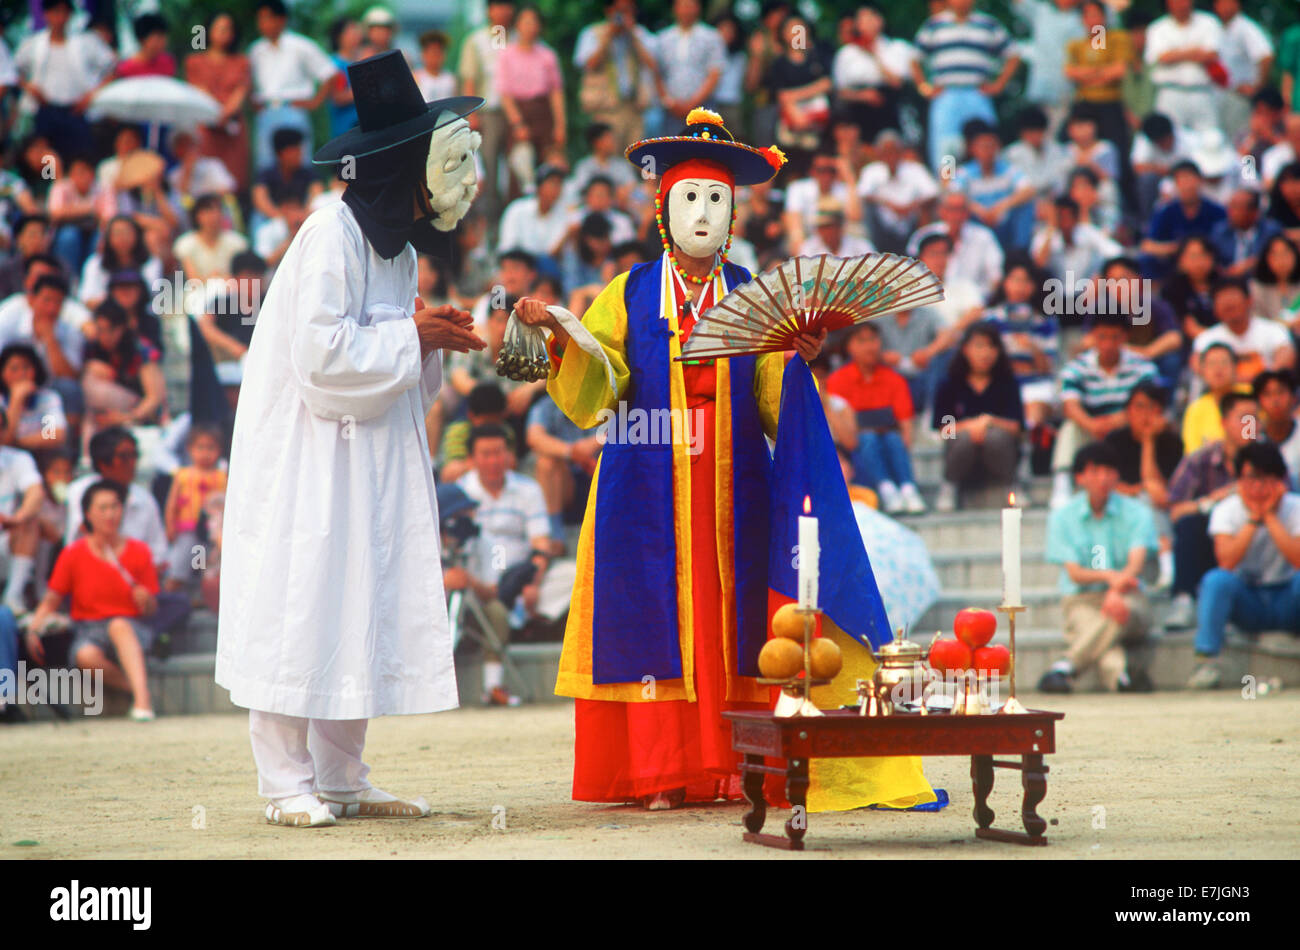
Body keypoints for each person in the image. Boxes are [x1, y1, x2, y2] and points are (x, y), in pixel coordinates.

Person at [511, 108, 847, 809]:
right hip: (647, 476)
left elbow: (771, 395)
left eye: (716, 199)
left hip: (735, 480)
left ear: (734, 213)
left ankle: (735, 763)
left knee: (733, 614)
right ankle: (664, 769)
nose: (703, 212)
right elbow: (604, 382)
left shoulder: (757, 291)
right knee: (653, 611)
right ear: (664, 209)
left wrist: (796, 359)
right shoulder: (630, 291)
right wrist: (567, 338)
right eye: (689, 197)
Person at [215, 52, 488, 828]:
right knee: (300, 597)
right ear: (401, 167)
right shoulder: (326, 236)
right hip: (309, 456)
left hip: (369, 457)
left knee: (355, 600)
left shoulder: (395, 250)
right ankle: (283, 783)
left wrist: (431, 341)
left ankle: (342, 775)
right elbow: (321, 357)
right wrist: (412, 333)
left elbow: (393, 358)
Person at [26, 480, 158, 720]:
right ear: (88, 513)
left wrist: (145, 599)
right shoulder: (73, 553)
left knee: (119, 625)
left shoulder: (140, 551)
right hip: (88, 628)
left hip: (131, 627)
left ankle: (142, 702)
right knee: (85, 656)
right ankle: (139, 690)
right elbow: (51, 600)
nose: (110, 514)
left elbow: (150, 609)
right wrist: (34, 629)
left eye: (115, 507)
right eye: (103, 508)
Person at [1040, 442, 1158, 693]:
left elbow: (1135, 565)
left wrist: (1115, 590)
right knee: (1099, 625)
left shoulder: (1138, 513)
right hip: (1082, 598)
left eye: (1109, 471)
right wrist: (1108, 576)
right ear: (1080, 477)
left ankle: (1066, 666)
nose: (1103, 478)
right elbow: (1074, 573)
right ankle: (1121, 678)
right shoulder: (1062, 517)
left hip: (1129, 595)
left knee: (1116, 612)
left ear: (1117, 475)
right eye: (1094, 471)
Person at [453, 424, 552, 706]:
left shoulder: (528, 489)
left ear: (508, 455)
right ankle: (493, 687)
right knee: (492, 609)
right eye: (485, 454)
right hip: (472, 588)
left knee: (573, 577)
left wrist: (532, 582)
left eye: (499, 452)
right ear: (471, 458)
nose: (493, 460)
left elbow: (541, 544)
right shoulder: (459, 493)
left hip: (520, 584)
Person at [1189, 442, 1300, 688]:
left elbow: (1298, 560)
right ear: (1238, 481)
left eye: (1266, 480)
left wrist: (1270, 516)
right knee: (1216, 580)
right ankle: (1206, 661)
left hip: (1288, 599)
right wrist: (1253, 519)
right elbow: (1226, 561)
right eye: (1251, 480)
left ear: (1281, 481)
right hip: (1249, 601)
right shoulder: (1227, 510)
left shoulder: (1295, 508)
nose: (1258, 488)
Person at [1165, 391, 1259, 629]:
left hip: (1258, 537)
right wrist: (1214, 501)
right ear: (1224, 422)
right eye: (1244, 419)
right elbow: (1175, 511)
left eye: (1255, 419)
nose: (1251, 426)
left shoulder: (1269, 459)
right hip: (1212, 541)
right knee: (1189, 524)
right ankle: (1184, 599)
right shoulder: (1200, 459)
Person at [1051, 313, 1158, 508]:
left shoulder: (1143, 367)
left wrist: (1118, 420)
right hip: (1092, 431)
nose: (1108, 344)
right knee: (1070, 428)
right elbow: (1070, 405)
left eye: (1115, 337)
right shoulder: (1076, 367)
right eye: (1102, 337)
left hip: (1128, 432)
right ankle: (1063, 482)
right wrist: (1092, 424)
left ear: (1125, 336)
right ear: (1092, 336)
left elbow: (1150, 405)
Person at [828, 322, 926, 514]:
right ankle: (886, 488)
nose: (869, 346)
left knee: (893, 440)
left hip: (890, 438)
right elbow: (841, 425)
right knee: (869, 440)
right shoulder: (837, 381)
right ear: (849, 346)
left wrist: (904, 441)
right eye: (861, 341)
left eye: (873, 340)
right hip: (856, 444)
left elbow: (905, 420)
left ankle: (908, 488)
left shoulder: (894, 378)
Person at [912, 0, 1020, 172]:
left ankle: (987, 180)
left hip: (976, 93)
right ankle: (949, 186)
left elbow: (1013, 55)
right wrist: (924, 87)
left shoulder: (988, 24)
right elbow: (915, 58)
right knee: (947, 145)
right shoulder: (935, 24)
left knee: (985, 140)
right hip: (946, 95)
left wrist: (999, 85)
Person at [931, 323, 1024, 512]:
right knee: (963, 438)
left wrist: (989, 422)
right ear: (965, 349)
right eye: (979, 346)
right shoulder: (950, 384)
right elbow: (944, 429)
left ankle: (1012, 486)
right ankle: (949, 486)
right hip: (962, 454)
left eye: (992, 346)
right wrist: (972, 426)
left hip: (999, 452)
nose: (986, 353)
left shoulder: (1006, 383)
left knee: (995, 436)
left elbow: (1017, 426)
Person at [1103, 380, 1184, 588]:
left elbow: (1162, 491)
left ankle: (1165, 563)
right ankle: (1166, 561)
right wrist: (1139, 489)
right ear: (1128, 411)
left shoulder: (1172, 442)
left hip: (1157, 506)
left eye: (1152, 407)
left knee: (1149, 498)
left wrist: (1149, 441)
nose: (1145, 413)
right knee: (1144, 497)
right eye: (1139, 406)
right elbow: (1108, 483)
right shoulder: (1114, 440)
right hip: (1120, 504)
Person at [12, 0, 116, 161]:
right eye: (55, 12)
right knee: (48, 162)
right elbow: (13, 70)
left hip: (76, 110)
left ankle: (72, 186)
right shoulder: (34, 44)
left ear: (70, 15)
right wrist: (30, 88)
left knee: (79, 158)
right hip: (46, 110)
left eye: (64, 12)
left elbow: (112, 68)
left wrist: (91, 96)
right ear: (46, 14)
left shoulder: (85, 42)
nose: (60, 18)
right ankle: (49, 185)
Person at [247, 0, 338, 173]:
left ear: (281, 20)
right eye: (260, 19)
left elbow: (329, 73)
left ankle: (302, 199)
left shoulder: (300, 45)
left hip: (293, 109)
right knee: (266, 165)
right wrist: (253, 103)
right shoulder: (255, 50)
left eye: (267, 18)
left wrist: (315, 102)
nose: (262, 24)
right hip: (266, 112)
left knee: (298, 164)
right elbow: (247, 82)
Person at [499, 6, 566, 200]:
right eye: (526, 22)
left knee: (548, 164)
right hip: (519, 113)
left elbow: (556, 92)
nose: (530, 27)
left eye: (534, 22)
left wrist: (560, 125)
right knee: (519, 166)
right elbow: (505, 93)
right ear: (517, 25)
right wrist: (517, 123)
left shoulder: (547, 55)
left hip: (543, 113)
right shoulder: (506, 55)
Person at [459, 0, 516, 226]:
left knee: (514, 172)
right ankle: (489, 228)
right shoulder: (476, 39)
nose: (503, 10)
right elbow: (469, 78)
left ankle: (510, 224)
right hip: (488, 113)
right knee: (488, 173)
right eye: (498, 5)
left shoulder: (519, 37)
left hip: (515, 115)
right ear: (489, 10)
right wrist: (472, 114)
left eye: (507, 5)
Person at [574, 0, 659, 150]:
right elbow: (589, 64)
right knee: (609, 155)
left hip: (634, 108)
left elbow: (652, 65)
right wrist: (608, 36)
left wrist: (632, 35)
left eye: (628, 10)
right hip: (605, 109)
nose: (624, 15)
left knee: (636, 157)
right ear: (609, 11)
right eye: (620, 11)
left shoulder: (639, 34)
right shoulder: (592, 33)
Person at [184, 12, 253, 194]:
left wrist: (224, 115)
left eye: (229, 29)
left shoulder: (242, 62)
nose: (226, 33)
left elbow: (240, 93)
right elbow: (198, 92)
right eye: (221, 28)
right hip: (206, 129)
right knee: (205, 179)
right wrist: (215, 115)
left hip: (232, 131)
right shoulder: (195, 61)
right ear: (208, 31)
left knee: (234, 181)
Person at [162, 424, 227, 593]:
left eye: (210, 448)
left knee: (204, 564)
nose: (205, 453)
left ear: (219, 450)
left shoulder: (222, 477)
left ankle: (200, 594)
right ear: (189, 449)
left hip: (212, 533)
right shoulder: (182, 475)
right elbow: (172, 503)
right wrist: (169, 526)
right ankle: (172, 590)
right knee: (182, 563)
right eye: (200, 447)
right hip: (187, 529)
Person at [1190, 279, 1295, 383]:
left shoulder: (1274, 330)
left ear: (1249, 300)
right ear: (1214, 308)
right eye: (1221, 298)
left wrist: (1257, 380)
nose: (1227, 302)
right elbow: (1197, 364)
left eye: (1232, 296)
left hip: (1263, 393)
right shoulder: (1206, 338)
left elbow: (1286, 358)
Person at [1144, 0, 1224, 134]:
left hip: (1201, 91)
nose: (1181, 4)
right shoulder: (1157, 28)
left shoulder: (1209, 23)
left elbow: (1211, 55)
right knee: (1170, 138)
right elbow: (1163, 58)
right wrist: (1195, 52)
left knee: (1210, 139)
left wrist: (1175, 53)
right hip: (1170, 92)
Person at [857, 129, 939, 254]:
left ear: (901, 153)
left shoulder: (915, 169)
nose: (891, 156)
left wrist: (911, 206)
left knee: (927, 210)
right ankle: (875, 253)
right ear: (879, 154)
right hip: (882, 228)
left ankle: (922, 251)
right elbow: (863, 194)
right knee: (868, 209)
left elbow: (933, 193)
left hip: (911, 223)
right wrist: (889, 204)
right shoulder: (871, 171)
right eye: (886, 153)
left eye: (894, 152)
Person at [0, 342, 66, 457]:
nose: (21, 374)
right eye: (14, 369)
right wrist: (16, 401)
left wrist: (17, 443)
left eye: (26, 368)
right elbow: (5, 439)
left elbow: (53, 436)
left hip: (41, 457)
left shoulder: (47, 398)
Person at [1182, 342, 1243, 455]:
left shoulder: (1249, 396)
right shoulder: (1195, 409)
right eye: (1212, 363)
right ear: (1203, 370)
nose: (1218, 368)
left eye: (1224, 362)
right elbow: (1192, 455)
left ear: (1235, 367)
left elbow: (1254, 437)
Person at [1212, 189, 1283, 281]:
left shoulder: (1271, 231)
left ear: (1255, 212)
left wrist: (1250, 264)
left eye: (1237, 207)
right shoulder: (1220, 231)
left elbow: (1279, 256)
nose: (1230, 212)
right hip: (1228, 283)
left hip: (1263, 281)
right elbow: (1214, 259)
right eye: (1230, 206)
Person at [1255, 370, 1300, 488]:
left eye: (1281, 392)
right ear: (1258, 402)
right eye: (1267, 394)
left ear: (1294, 398)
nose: (1275, 400)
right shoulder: (1253, 439)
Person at [1248, 235, 1300, 325]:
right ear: (1266, 258)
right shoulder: (1256, 288)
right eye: (1275, 255)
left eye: (1286, 254)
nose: (1281, 260)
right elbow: (1256, 322)